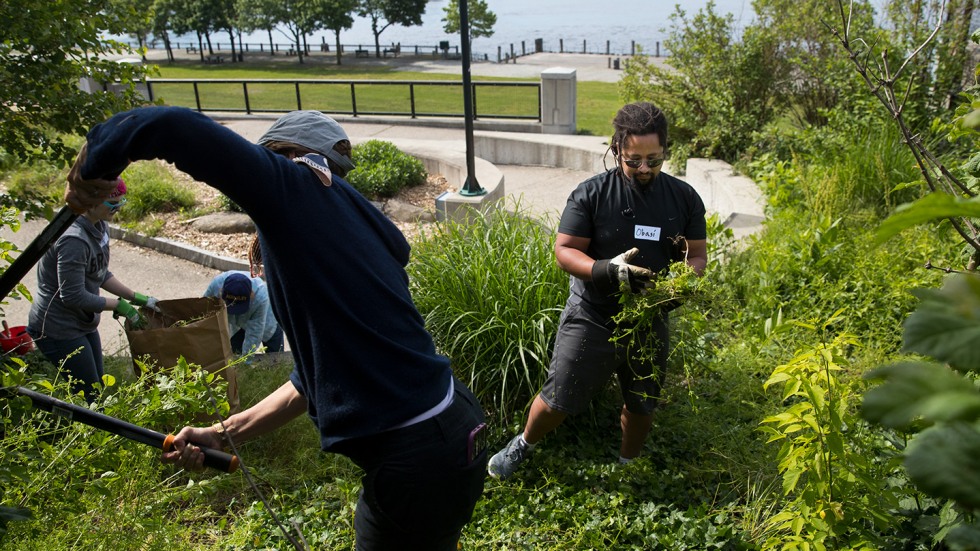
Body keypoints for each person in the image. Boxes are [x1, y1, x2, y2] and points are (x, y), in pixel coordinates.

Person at [64, 107, 487, 550]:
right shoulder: (349, 228)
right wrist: (222, 433)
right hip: (450, 431)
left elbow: (168, 127)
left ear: (284, 154)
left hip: (416, 454)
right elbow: (312, 379)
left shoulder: (295, 186)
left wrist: (97, 164)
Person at [488, 101, 708, 479]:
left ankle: (628, 465)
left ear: (665, 151)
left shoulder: (684, 198)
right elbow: (564, 250)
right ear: (616, 148)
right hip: (592, 316)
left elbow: (698, 256)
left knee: (643, 402)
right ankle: (523, 444)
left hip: (649, 318)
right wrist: (606, 269)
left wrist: (681, 283)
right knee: (560, 398)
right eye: (633, 160)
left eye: (653, 160)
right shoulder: (591, 194)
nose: (643, 169)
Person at [27, 179, 160, 403]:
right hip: (57, 327)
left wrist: (134, 297)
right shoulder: (73, 240)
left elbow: (99, 273)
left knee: (96, 387)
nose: (118, 208)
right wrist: (118, 305)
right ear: (91, 202)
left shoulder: (99, 226)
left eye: (121, 202)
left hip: (82, 321)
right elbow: (72, 295)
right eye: (112, 204)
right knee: (89, 395)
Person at [203, 270, 284, 357]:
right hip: (235, 326)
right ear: (221, 291)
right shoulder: (216, 285)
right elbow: (204, 311)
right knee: (235, 355)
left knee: (276, 357)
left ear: (251, 295)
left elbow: (255, 332)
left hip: (267, 322)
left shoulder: (260, 297)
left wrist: (246, 360)